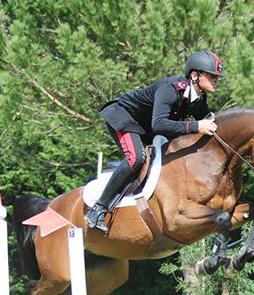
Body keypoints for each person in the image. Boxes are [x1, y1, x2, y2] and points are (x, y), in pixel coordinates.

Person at [85, 50, 225, 234]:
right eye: (212, 75)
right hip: (125, 119)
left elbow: (208, 122)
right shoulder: (171, 89)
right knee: (136, 158)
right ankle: (98, 209)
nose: (216, 79)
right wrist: (196, 125)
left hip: (147, 128)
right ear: (194, 75)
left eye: (217, 76)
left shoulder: (199, 98)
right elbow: (159, 124)